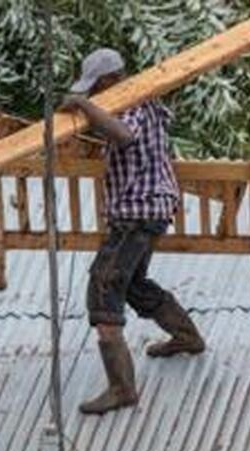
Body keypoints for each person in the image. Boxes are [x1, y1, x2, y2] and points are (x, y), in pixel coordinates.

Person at [62, 48, 205, 416]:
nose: (94, 96)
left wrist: (83, 106)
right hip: (151, 210)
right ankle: (186, 336)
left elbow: (123, 135)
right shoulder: (146, 101)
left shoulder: (134, 105)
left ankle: (121, 388)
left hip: (136, 214)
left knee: (104, 285)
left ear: (111, 81)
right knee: (134, 283)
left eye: (95, 89)